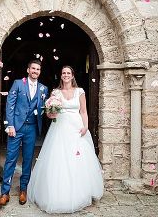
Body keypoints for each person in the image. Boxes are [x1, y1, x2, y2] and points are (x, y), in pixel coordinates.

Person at [27, 66, 103, 213]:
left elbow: (83, 111)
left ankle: (81, 193)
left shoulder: (80, 91)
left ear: (72, 75)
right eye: (63, 73)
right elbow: (50, 114)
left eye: (68, 73)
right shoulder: (55, 93)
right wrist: (51, 112)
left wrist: (86, 126)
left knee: (78, 160)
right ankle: (60, 195)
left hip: (77, 128)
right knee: (59, 159)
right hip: (60, 129)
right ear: (61, 76)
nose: (66, 75)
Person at [0, 59, 48, 207]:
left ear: (40, 71)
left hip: (32, 128)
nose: (35, 71)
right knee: (11, 159)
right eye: (33, 68)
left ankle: (23, 189)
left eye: (38, 69)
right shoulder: (18, 83)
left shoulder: (43, 89)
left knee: (27, 159)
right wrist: (10, 125)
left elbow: (43, 108)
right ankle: (4, 192)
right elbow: (10, 104)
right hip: (16, 128)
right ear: (28, 70)